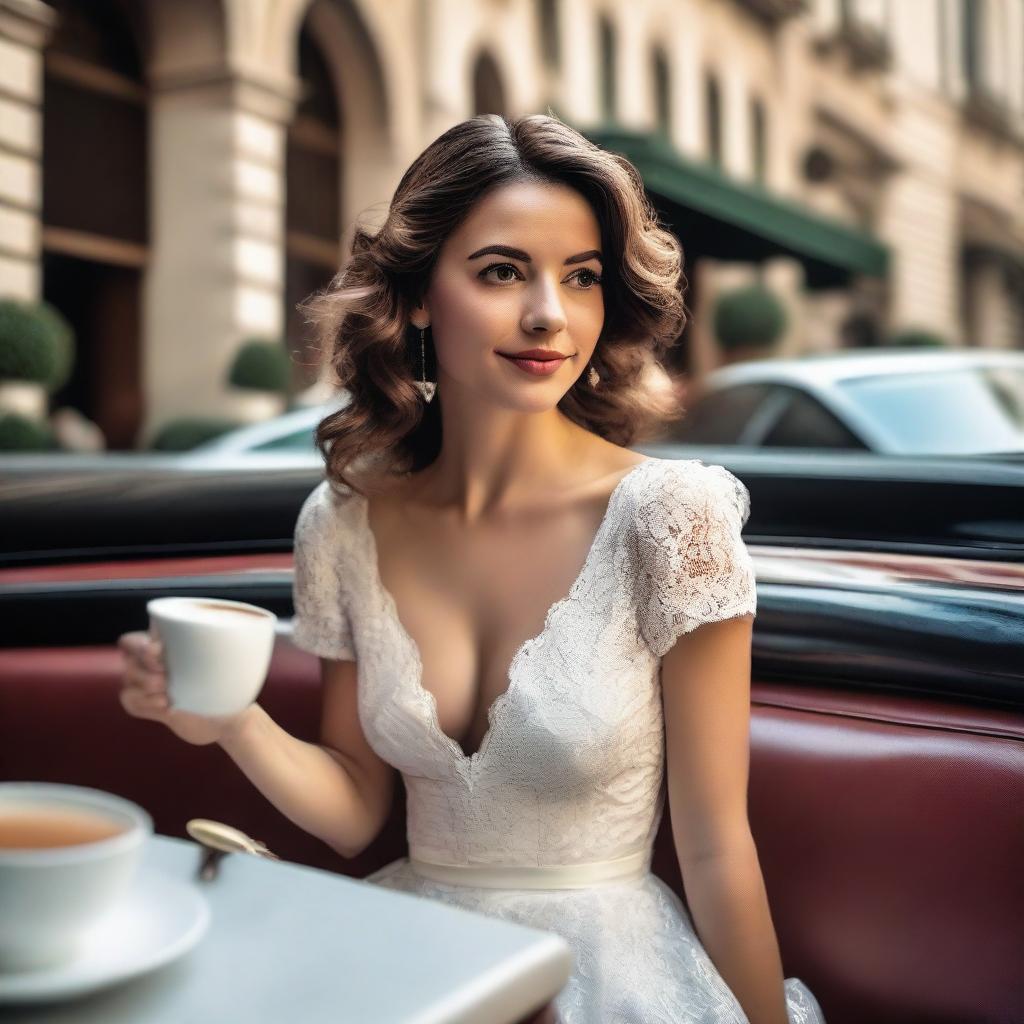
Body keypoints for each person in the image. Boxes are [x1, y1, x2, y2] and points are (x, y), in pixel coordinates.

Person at [118, 114, 825, 1024]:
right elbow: (354, 810)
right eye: (501, 271)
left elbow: (717, 845)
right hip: (411, 963)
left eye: (582, 278)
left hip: (609, 977)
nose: (548, 314)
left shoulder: (670, 516)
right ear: (416, 296)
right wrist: (227, 721)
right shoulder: (342, 522)